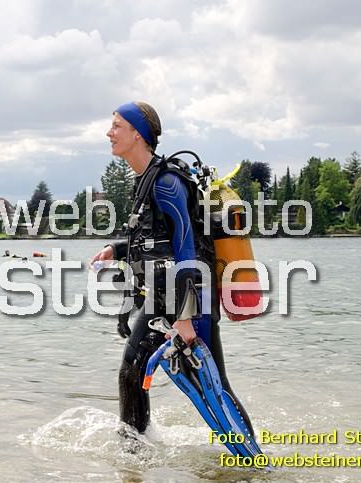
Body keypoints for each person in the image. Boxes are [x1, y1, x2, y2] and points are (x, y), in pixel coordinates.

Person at [89, 101, 254, 436]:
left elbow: (186, 249)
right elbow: (155, 240)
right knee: (131, 373)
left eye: (117, 126)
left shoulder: (166, 182)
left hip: (191, 299)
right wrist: (116, 250)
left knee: (214, 388)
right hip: (161, 297)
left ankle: (251, 461)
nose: (109, 133)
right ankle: (135, 454)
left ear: (137, 134)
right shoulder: (145, 180)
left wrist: (185, 317)